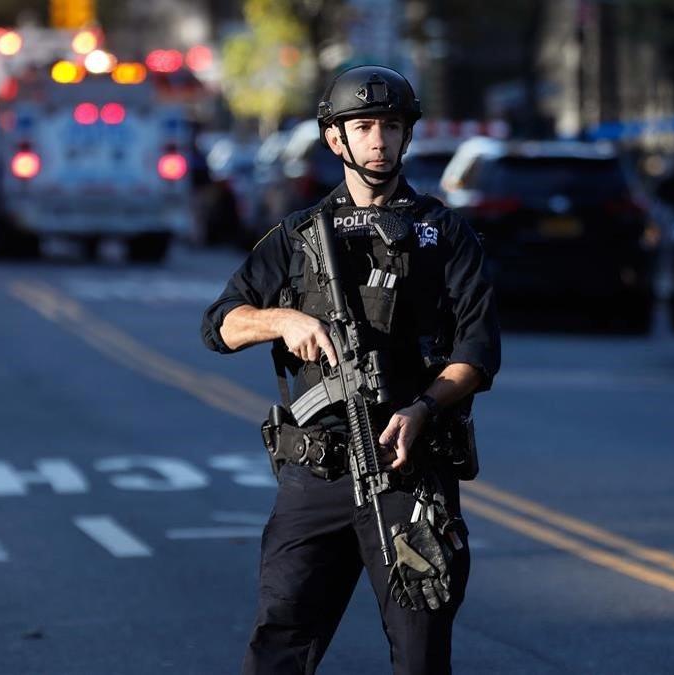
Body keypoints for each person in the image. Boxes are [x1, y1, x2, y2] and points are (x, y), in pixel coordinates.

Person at [200, 65, 501, 675]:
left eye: (391, 126)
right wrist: (282, 320)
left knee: (420, 653)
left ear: (407, 136)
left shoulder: (444, 236)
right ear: (336, 140)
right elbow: (221, 324)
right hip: (317, 473)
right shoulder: (298, 235)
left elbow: (477, 351)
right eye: (363, 126)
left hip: (409, 469)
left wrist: (424, 409)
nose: (378, 140)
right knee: (279, 645)